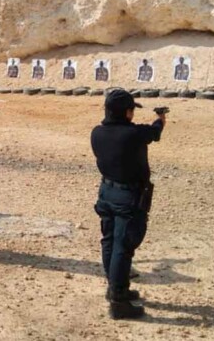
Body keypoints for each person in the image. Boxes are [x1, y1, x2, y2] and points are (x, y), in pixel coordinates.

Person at [91, 89, 165, 319]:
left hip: (106, 192)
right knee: (123, 247)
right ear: (126, 112)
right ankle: (119, 301)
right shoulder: (133, 134)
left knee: (109, 241)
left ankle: (114, 287)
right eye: (131, 110)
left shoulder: (97, 133)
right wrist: (160, 119)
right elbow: (154, 132)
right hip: (127, 196)